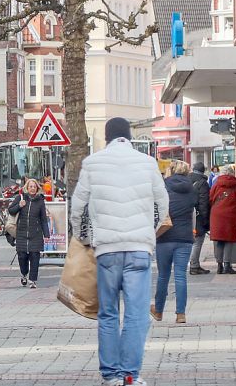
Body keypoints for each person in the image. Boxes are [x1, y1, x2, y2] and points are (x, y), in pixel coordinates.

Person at [70, 117, 168, 386]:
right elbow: (163, 203)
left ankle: (110, 375)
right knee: (137, 314)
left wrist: (86, 237)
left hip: (107, 251)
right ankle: (130, 374)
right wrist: (149, 229)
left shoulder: (92, 163)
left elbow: (78, 207)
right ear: (129, 136)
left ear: (107, 136)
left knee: (109, 313)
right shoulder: (148, 163)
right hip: (139, 249)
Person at [152, 161, 197, 325]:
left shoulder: (163, 187)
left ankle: (158, 310)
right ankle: (181, 314)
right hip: (184, 237)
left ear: (170, 170)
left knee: (163, 276)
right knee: (180, 276)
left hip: (164, 236)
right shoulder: (192, 188)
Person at [8, 178, 49, 289]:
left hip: (35, 233)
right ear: (27, 187)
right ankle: (24, 273)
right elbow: (11, 210)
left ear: (37, 188)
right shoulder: (20, 198)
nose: (32, 188)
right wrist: (19, 206)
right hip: (21, 233)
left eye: (34, 187)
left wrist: (47, 235)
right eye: (30, 186)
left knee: (35, 256)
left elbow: (44, 219)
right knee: (22, 256)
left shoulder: (40, 201)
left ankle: (33, 280)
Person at [209, 166, 236, 275]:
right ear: (232, 173)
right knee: (229, 240)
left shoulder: (216, 184)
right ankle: (227, 265)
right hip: (231, 215)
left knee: (218, 240)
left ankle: (219, 266)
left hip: (216, 215)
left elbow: (210, 199)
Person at [188, 162, 212, 275]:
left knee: (193, 241)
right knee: (198, 240)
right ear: (203, 171)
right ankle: (194, 265)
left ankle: (194, 264)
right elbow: (204, 203)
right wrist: (205, 220)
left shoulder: (187, 180)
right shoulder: (203, 183)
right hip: (197, 216)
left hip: (187, 214)